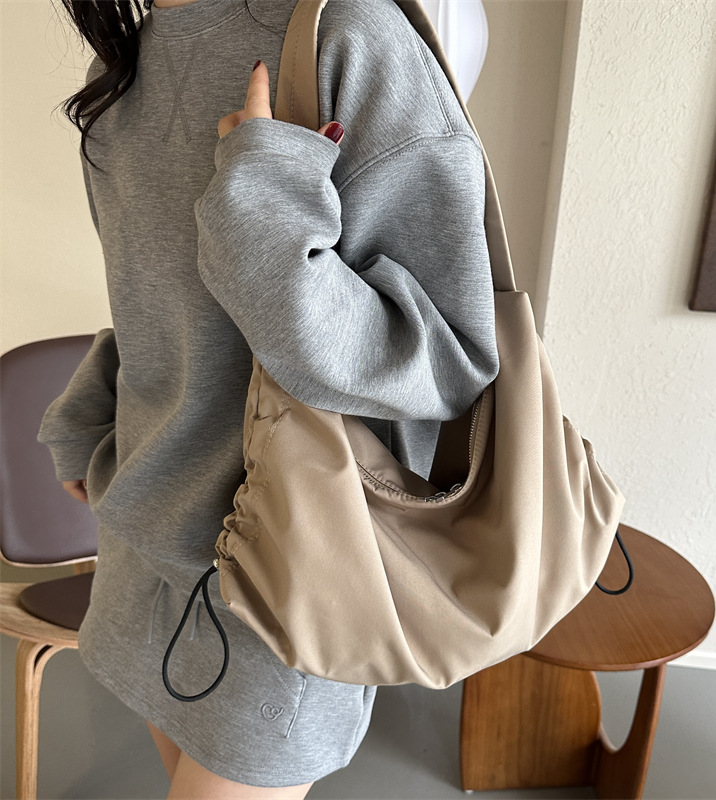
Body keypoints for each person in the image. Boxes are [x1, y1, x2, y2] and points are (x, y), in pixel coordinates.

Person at [38, 0, 500, 796]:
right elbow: (159, 302)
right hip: (142, 546)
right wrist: (87, 414)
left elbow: (446, 363)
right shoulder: (124, 63)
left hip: (286, 576)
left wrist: (264, 216)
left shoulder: (348, 38)